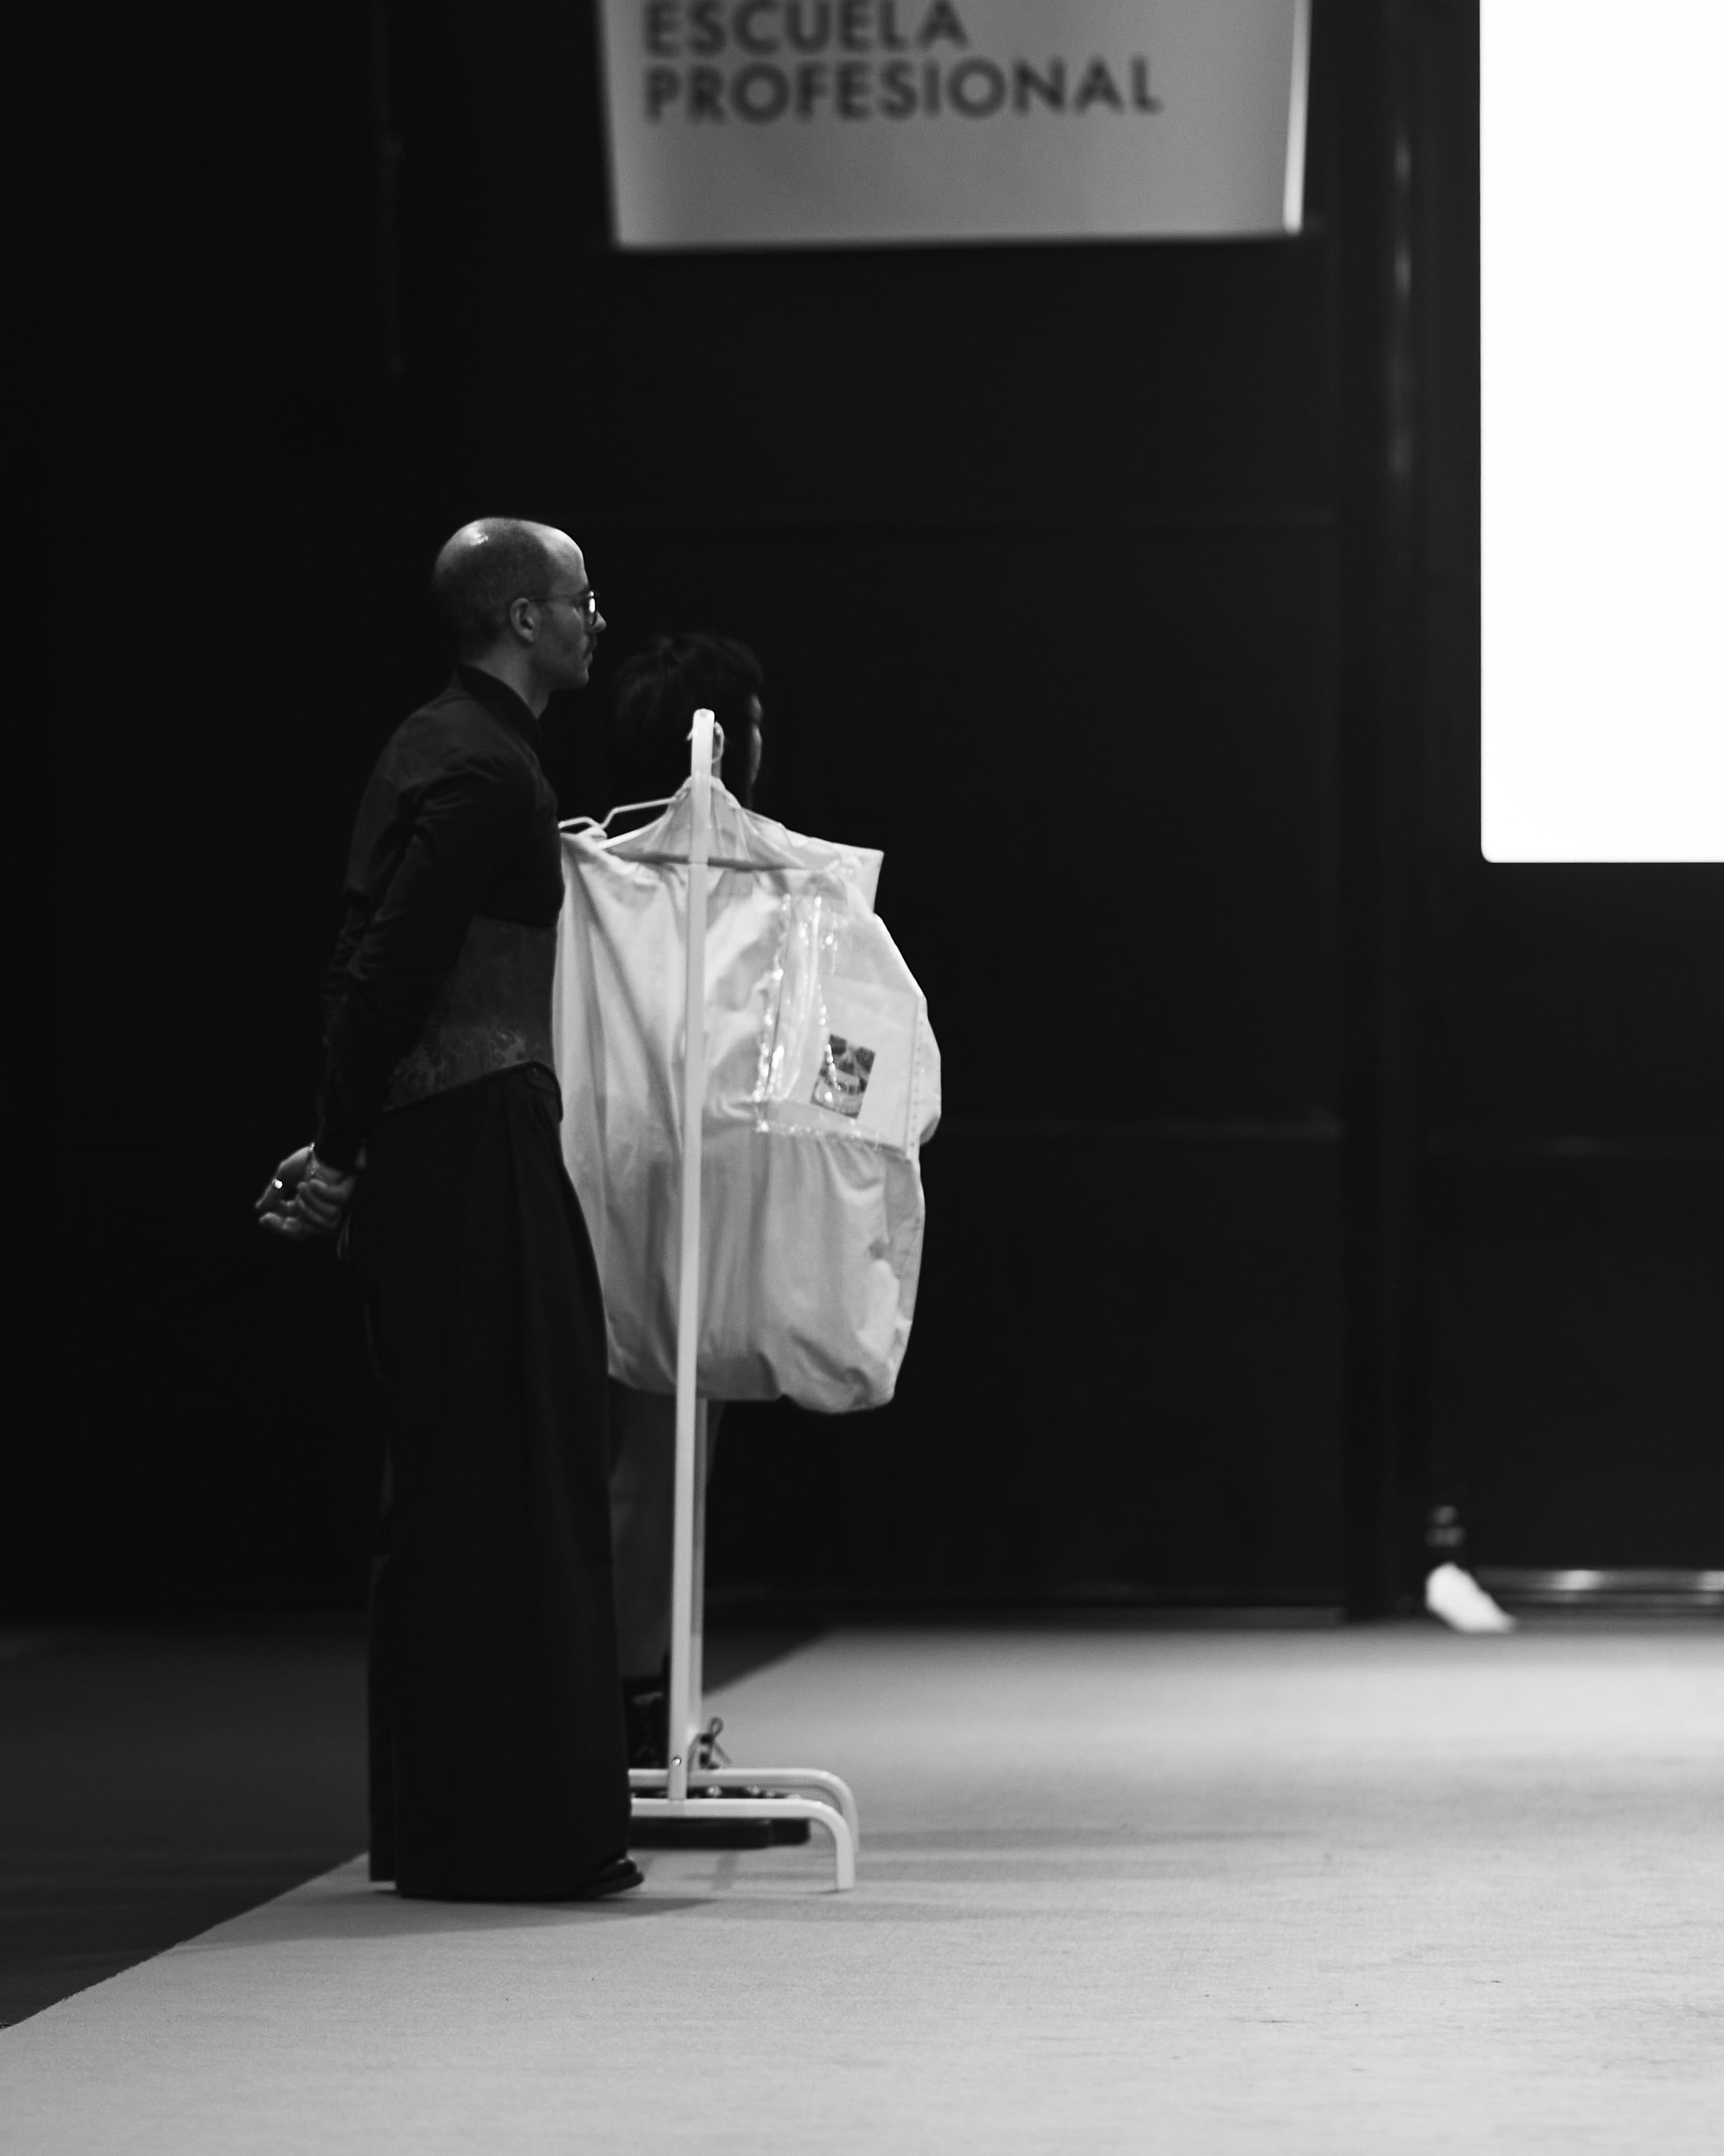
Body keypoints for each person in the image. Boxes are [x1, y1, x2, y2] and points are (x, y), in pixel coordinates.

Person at [255, 517, 641, 1901]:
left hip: (445, 1140)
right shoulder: (480, 766)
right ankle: (515, 1830)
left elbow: (371, 961)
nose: (599, 618)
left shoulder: (449, 747)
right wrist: (341, 1147)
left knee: (462, 1478)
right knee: (509, 1469)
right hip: (465, 1146)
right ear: (526, 617)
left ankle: (453, 1823)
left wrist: (348, 1139)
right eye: (582, 598)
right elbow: (384, 971)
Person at [598, 634, 766, 1766]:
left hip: (638, 1177)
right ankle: (634, 1724)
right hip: (647, 1187)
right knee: (649, 1471)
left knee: (661, 1469)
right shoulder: (608, 877)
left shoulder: (609, 873)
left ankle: (652, 1718)